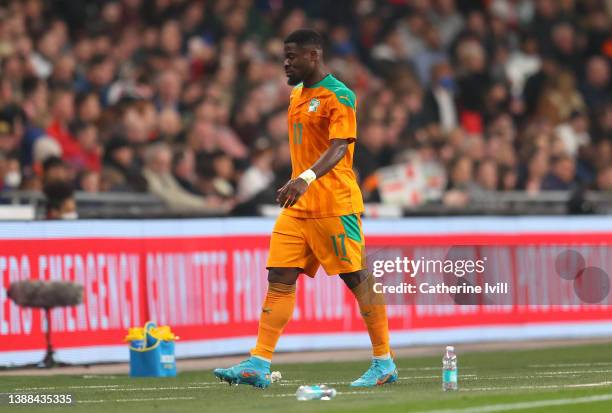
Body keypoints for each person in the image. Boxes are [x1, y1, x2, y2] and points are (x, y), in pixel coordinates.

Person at [213, 29, 397, 389]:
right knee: (279, 277)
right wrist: (299, 180)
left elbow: (340, 146)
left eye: (292, 57)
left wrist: (306, 177)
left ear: (313, 56)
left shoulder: (340, 95)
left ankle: (384, 360)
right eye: (284, 56)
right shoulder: (297, 94)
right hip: (299, 207)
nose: (286, 63)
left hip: (333, 203)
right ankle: (259, 362)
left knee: (357, 278)